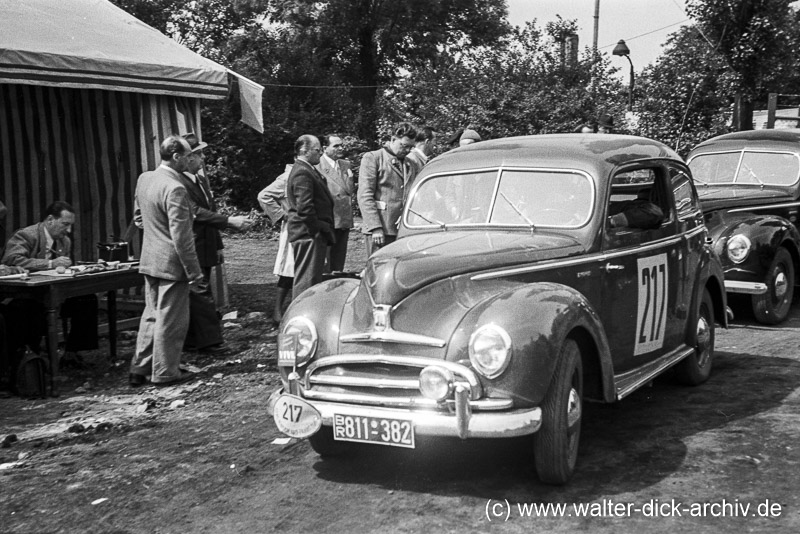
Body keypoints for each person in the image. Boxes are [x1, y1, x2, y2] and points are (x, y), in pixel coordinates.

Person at [129, 135, 203, 387]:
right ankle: (165, 372)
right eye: (187, 154)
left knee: (151, 315)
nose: (191, 158)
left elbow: (139, 219)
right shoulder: (176, 188)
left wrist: (154, 233)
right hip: (172, 263)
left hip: (150, 258)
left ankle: (139, 369)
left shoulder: (145, 179)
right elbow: (182, 238)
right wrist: (194, 271)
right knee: (171, 321)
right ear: (176, 157)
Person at [175, 133, 252, 354]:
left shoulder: (197, 180)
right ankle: (210, 342)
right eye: (198, 154)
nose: (203, 159)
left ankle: (193, 341)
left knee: (199, 292)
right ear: (187, 158)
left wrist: (218, 246)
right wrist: (229, 221)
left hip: (206, 244)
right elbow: (196, 213)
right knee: (200, 294)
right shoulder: (179, 183)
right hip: (193, 244)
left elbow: (209, 211)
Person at [2, 201, 99, 362]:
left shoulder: (64, 241)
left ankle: (71, 353)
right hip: (29, 294)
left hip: (54, 292)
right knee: (31, 310)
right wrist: (50, 264)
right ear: (50, 220)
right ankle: (30, 358)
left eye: (70, 226)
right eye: (65, 224)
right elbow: (11, 259)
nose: (68, 230)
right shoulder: (27, 235)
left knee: (86, 299)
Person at [357, 122, 419, 257]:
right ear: (393, 140)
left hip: (402, 230)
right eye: (404, 146)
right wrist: (375, 227)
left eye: (410, 147)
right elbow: (365, 195)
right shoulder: (373, 158)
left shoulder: (411, 164)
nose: (407, 150)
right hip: (381, 230)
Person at [286, 135, 335, 299]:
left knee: (312, 279)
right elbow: (305, 208)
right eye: (317, 150)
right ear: (303, 151)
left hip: (311, 234)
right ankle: (299, 317)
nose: (320, 153)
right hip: (308, 235)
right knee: (307, 281)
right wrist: (316, 230)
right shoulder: (302, 172)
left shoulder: (308, 170)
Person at [257, 162, 295, 323]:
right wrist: (282, 214)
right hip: (293, 228)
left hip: (311, 228)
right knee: (289, 270)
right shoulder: (287, 177)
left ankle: (297, 307)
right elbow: (264, 196)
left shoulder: (314, 172)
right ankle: (277, 311)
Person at [315, 134, 354, 272]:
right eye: (336, 146)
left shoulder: (345, 164)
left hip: (343, 220)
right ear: (325, 148)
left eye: (341, 145)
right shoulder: (317, 165)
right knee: (325, 262)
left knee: (338, 261)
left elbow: (349, 191)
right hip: (328, 220)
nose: (340, 148)